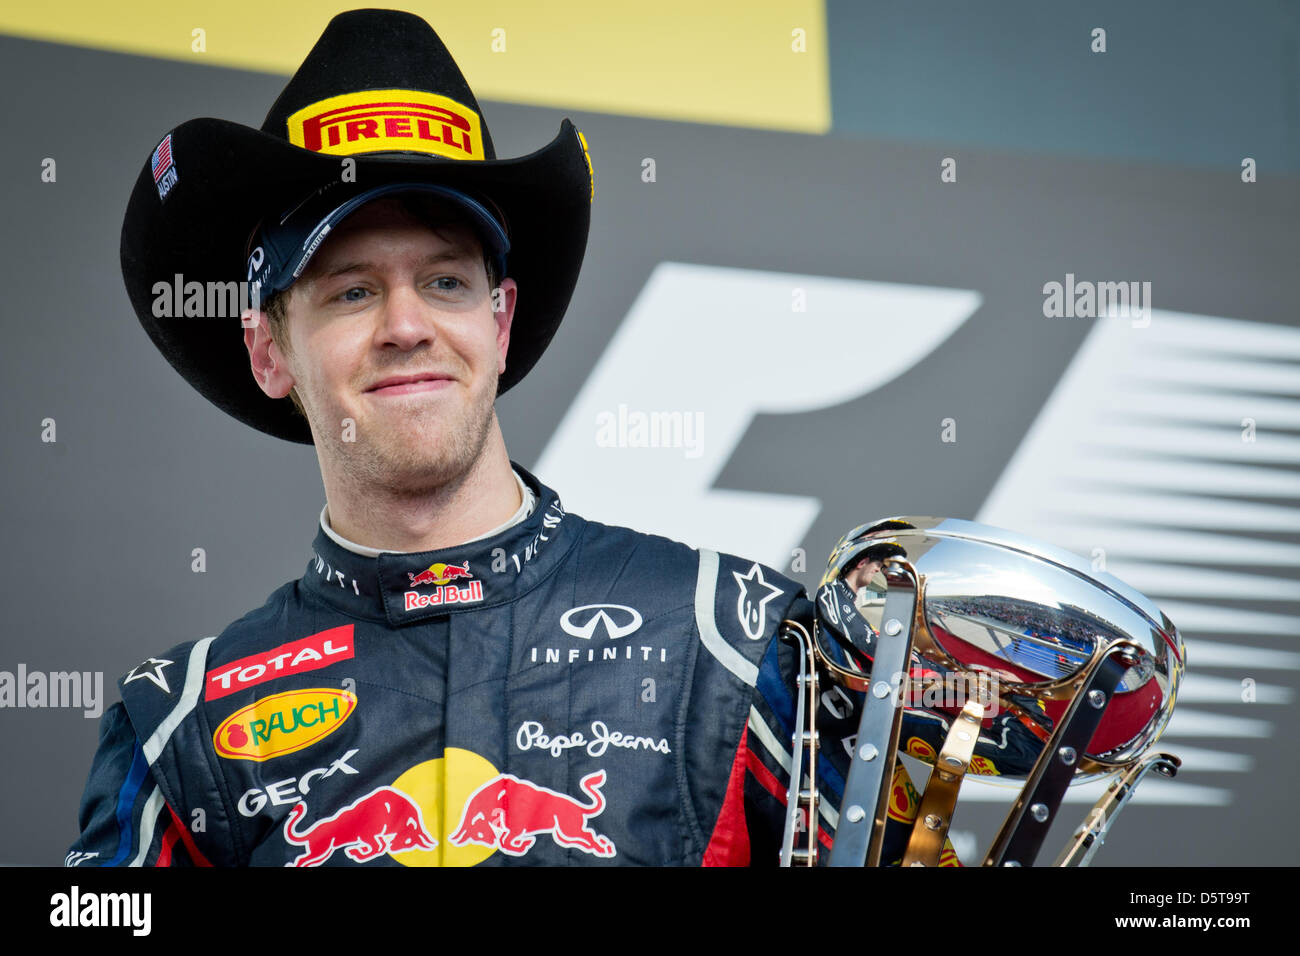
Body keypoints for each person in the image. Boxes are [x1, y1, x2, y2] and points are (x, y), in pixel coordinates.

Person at [67, 8, 875, 867]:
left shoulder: (735, 645)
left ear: (501, 322)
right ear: (270, 352)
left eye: (446, 280)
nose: (407, 325)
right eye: (351, 291)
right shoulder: (179, 732)